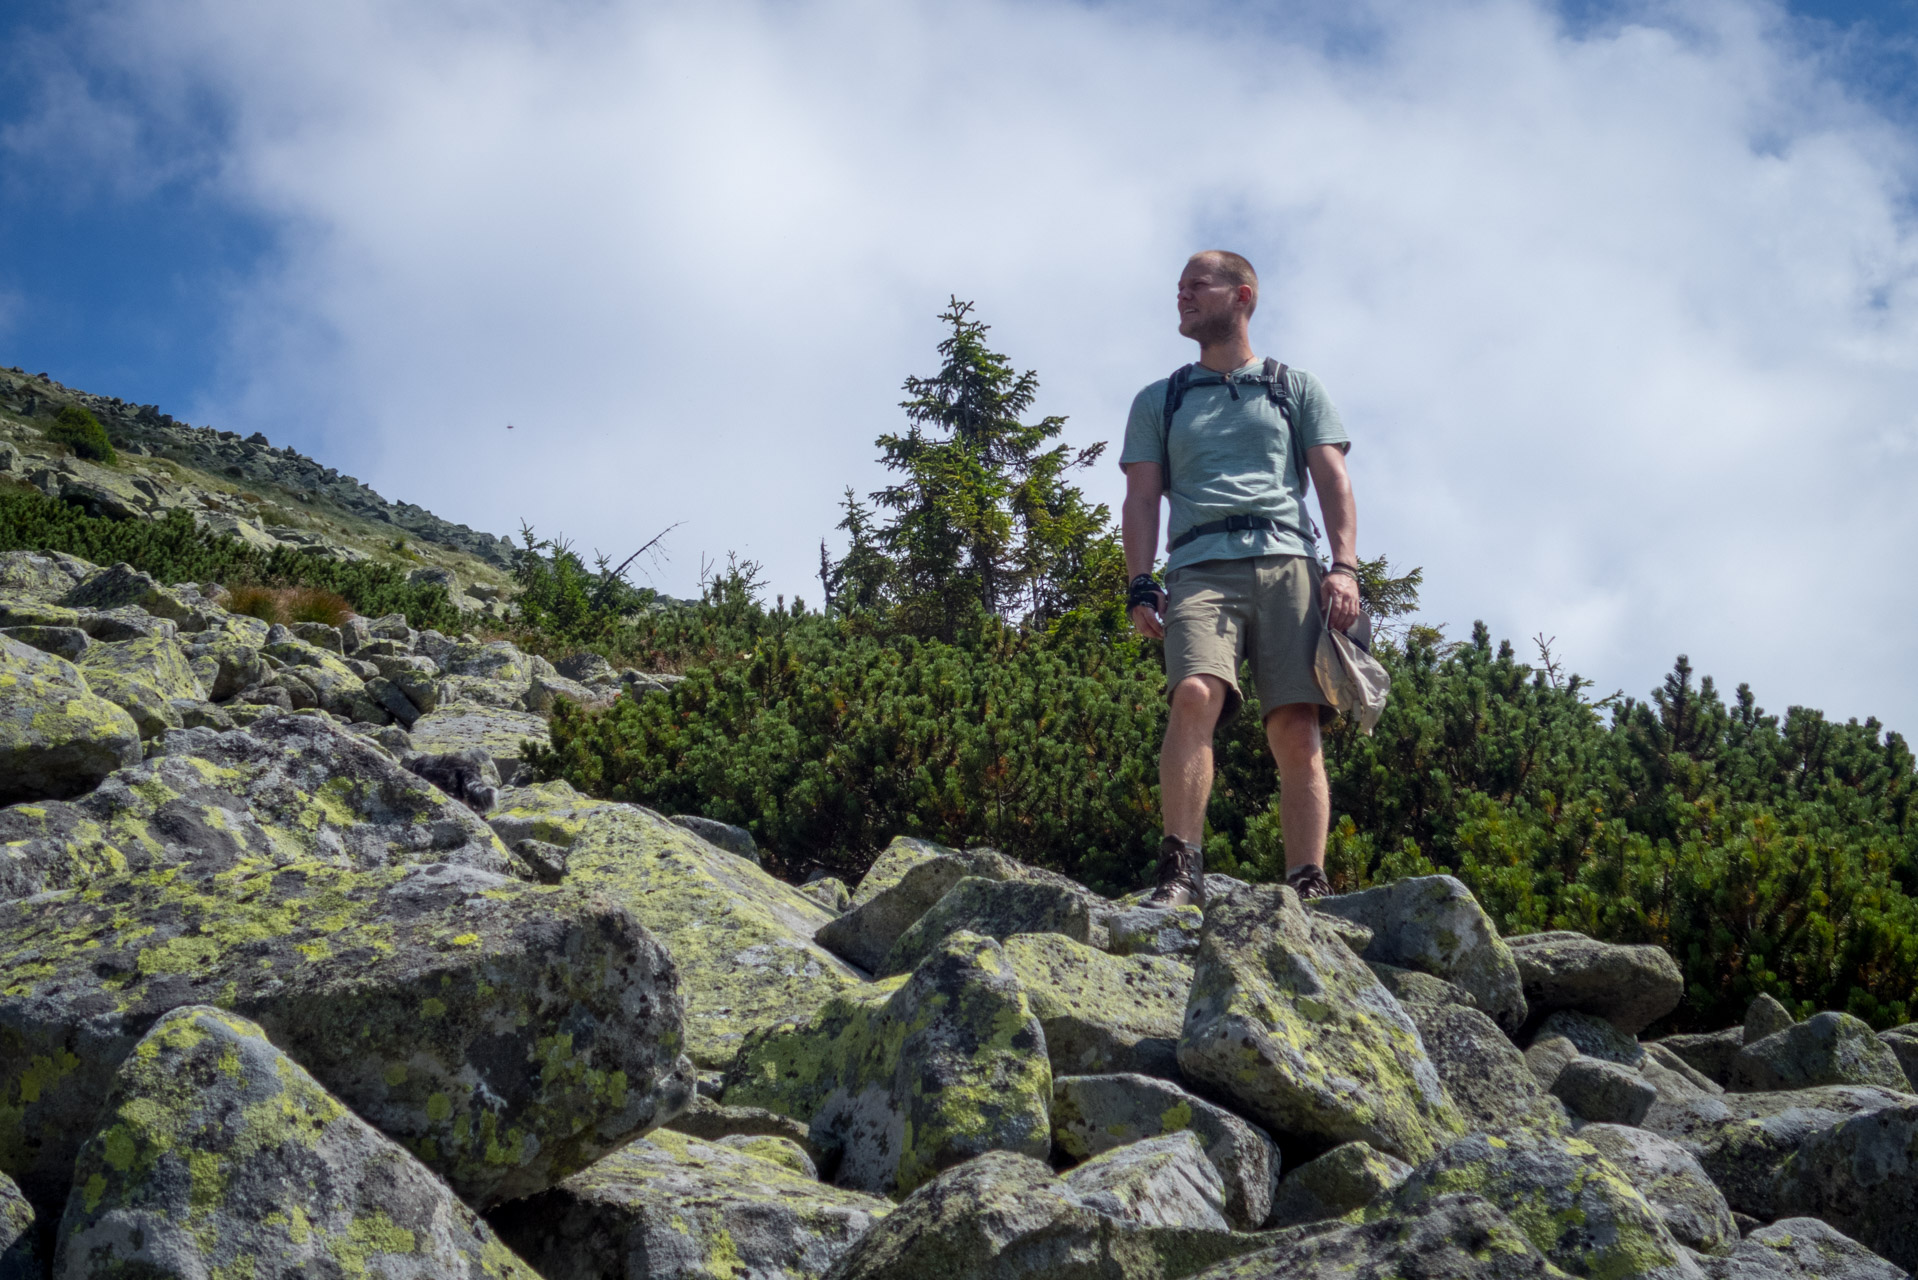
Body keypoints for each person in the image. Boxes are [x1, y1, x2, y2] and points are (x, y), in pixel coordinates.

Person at [1119, 250, 1361, 907]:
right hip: (1198, 566)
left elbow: (1333, 479)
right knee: (1194, 694)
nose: (1183, 296)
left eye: (1198, 285)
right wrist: (1140, 581)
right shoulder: (1159, 400)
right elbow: (1142, 498)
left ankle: (1307, 884)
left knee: (1296, 725)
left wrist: (1344, 567)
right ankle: (1179, 873)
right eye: (1179, 288)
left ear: (1243, 296)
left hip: (1290, 563)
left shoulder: (1294, 387)